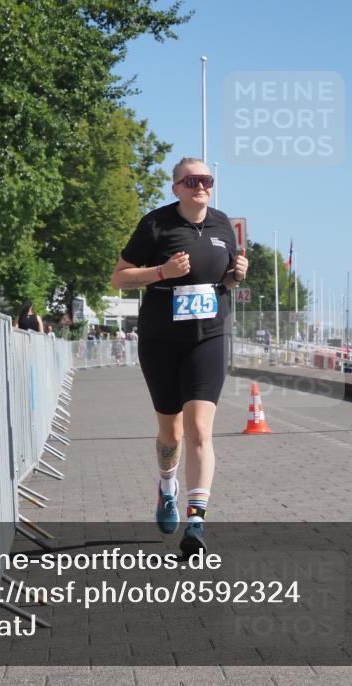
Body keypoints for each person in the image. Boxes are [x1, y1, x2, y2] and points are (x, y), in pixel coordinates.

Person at [111, 157, 248, 558]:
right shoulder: (156, 224)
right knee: (171, 434)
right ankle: (166, 485)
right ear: (176, 188)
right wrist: (162, 272)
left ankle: (196, 522)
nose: (200, 185)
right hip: (161, 339)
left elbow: (224, 279)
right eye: (192, 180)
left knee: (200, 430)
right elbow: (119, 277)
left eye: (206, 179)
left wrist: (236, 275)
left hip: (209, 336)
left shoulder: (223, 225)